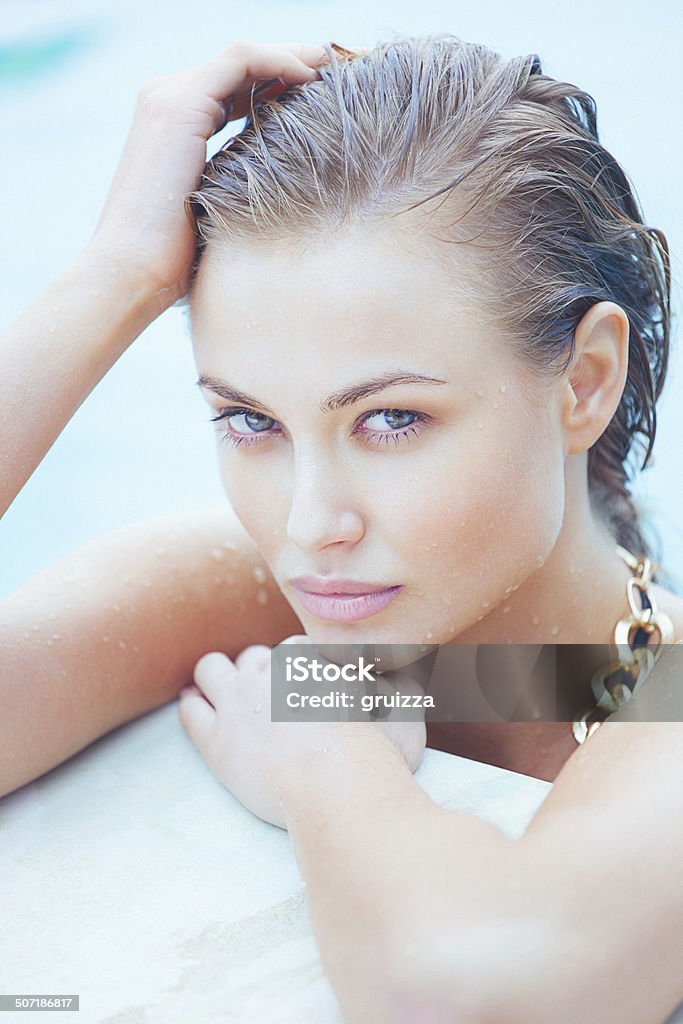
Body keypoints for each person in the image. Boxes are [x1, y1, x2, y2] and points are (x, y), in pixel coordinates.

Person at [1, 33, 682, 1024]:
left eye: (391, 420)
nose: (311, 524)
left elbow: (473, 994)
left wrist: (328, 756)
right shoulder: (223, 589)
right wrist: (111, 280)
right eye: (250, 421)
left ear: (581, 382)